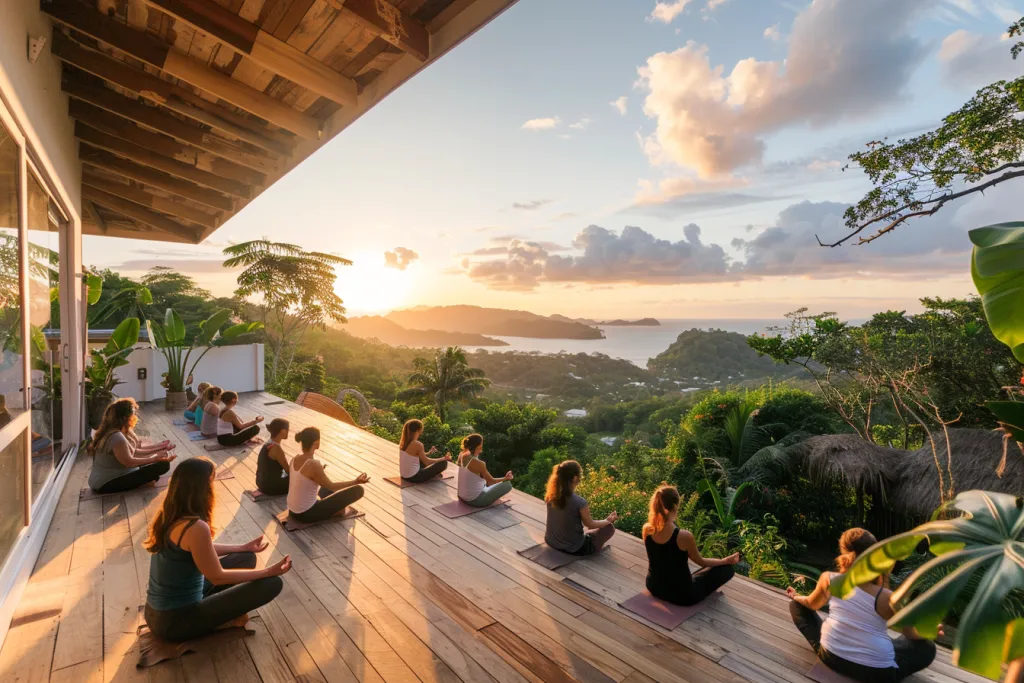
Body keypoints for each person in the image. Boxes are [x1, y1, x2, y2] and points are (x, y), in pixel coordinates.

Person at [143, 456, 290, 642]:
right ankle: (221, 620)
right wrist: (268, 571)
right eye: (212, 482)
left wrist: (242, 547)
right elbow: (216, 576)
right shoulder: (195, 527)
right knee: (272, 583)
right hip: (175, 621)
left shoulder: (170, 515)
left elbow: (200, 549)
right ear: (203, 489)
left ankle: (219, 610)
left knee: (246, 557)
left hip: (157, 613)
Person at [787, 528, 937, 683]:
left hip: (832, 658)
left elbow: (811, 604)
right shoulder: (885, 596)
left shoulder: (829, 579)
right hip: (878, 674)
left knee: (796, 606)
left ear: (843, 551)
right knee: (926, 647)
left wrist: (798, 597)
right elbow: (911, 633)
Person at [642, 485, 739, 606]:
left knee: (698, 573)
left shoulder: (647, 529)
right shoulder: (684, 536)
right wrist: (725, 560)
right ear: (675, 506)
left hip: (654, 587)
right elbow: (702, 562)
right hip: (683, 595)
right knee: (726, 569)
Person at [88, 398, 176, 494]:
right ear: (126, 418)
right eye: (133, 414)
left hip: (105, 479)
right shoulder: (116, 437)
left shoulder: (113, 431)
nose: (135, 417)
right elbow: (130, 462)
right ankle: (147, 480)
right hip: (106, 483)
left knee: (157, 465)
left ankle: (147, 479)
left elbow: (133, 452)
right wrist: (155, 458)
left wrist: (159, 448)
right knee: (163, 465)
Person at [286, 427, 368, 524]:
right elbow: (331, 486)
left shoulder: (294, 459)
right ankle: (338, 511)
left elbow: (305, 480)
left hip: (292, 511)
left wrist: (319, 472)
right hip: (306, 514)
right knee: (358, 490)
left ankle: (336, 509)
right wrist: (355, 481)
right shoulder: (313, 464)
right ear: (316, 442)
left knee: (327, 489)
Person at [544, 460, 616, 555]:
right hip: (574, 548)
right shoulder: (579, 502)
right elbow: (590, 525)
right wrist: (608, 521)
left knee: (582, 527)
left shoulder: (551, 495)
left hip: (551, 542)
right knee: (609, 528)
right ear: (574, 478)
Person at [456, 434, 512, 507]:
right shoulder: (480, 464)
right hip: (475, 500)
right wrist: (506, 478)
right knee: (508, 485)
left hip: (461, 495)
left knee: (484, 483)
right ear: (480, 446)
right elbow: (491, 481)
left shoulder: (461, 455)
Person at [398, 419, 451, 483]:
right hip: (414, 477)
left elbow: (414, 456)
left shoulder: (404, 442)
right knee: (443, 463)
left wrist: (429, 453)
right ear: (418, 430)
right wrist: (443, 458)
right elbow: (427, 462)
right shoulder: (418, 444)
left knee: (425, 461)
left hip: (404, 475)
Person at [256, 419, 290, 496]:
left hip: (260, 483)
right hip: (270, 488)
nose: (288, 432)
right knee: (301, 478)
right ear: (283, 431)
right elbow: (288, 470)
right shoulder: (276, 448)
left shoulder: (267, 444)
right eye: (288, 430)